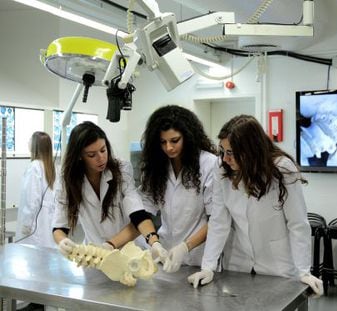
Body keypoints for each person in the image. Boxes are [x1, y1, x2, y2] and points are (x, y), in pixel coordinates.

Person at [187, 115, 323, 297]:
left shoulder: (282, 169)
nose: (225, 159)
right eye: (222, 151)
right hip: (238, 260)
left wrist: (304, 271)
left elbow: (297, 223)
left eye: (231, 152)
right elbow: (219, 221)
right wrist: (208, 267)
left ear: (251, 149)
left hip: (276, 263)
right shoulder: (222, 169)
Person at [52, 121, 159, 257]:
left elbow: (137, 214)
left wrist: (110, 244)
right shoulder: (67, 179)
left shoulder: (122, 169)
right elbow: (59, 225)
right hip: (95, 254)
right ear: (79, 156)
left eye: (103, 150)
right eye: (91, 155)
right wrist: (62, 242)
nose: (101, 158)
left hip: (129, 252)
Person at [139, 105, 217, 273]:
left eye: (175, 140)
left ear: (188, 137)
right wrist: (154, 242)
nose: (169, 147)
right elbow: (143, 213)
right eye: (163, 142)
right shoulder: (155, 168)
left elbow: (217, 219)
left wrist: (184, 247)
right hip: (164, 254)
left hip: (199, 257)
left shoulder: (209, 164)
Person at [16, 131, 57, 248]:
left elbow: (32, 200)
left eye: (30, 140)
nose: (28, 142)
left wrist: (26, 224)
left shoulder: (34, 167)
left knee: (33, 257)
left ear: (36, 146)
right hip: (46, 222)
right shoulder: (49, 167)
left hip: (35, 225)